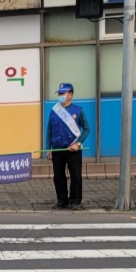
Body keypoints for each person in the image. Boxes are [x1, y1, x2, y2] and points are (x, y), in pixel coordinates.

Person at [46, 81, 90, 209]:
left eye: (62, 93)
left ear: (70, 95)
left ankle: (75, 201)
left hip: (73, 149)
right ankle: (62, 200)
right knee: (58, 177)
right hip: (57, 148)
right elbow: (49, 130)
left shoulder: (78, 110)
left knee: (75, 176)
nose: (60, 95)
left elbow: (87, 129)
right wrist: (49, 148)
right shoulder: (54, 111)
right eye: (59, 93)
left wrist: (78, 143)